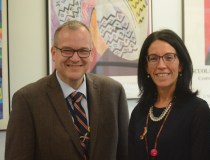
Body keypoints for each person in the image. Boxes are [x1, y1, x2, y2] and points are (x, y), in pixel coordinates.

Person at [5, 20, 129, 160]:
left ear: (91, 54)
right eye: (67, 50)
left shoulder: (113, 92)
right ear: (53, 53)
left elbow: (125, 153)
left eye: (83, 51)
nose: (75, 58)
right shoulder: (27, 100)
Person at [128, 29, 210, 160]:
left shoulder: (197, 110)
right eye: (153, 58)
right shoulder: (138, 112)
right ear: (146, 67)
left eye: (169, 57)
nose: (161, 65)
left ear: (181, 65)